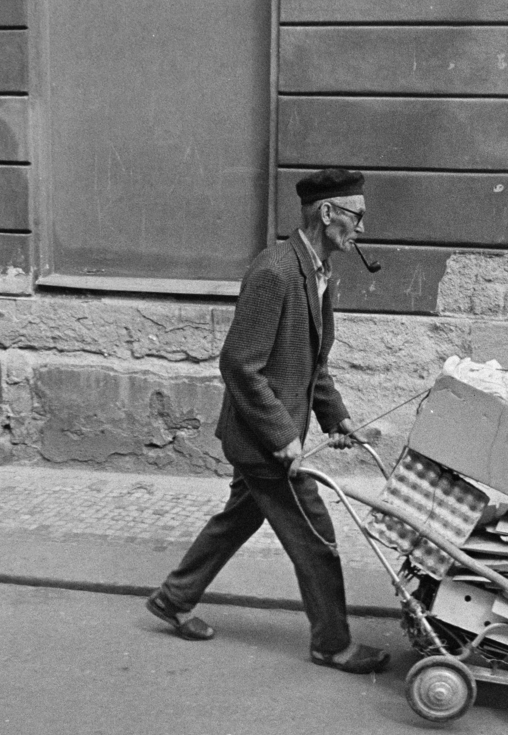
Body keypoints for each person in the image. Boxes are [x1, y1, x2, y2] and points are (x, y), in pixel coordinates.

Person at [146, 168, 390, 674]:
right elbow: (239, 363)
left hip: (271, 436)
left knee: (240, 517)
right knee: (317, 539)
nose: (363, 227)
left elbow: (311, 365)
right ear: (328, 213)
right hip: (262, 442)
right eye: (358, 216)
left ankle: (174, 597)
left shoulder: (318, 272)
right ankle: (332, 644)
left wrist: (337, 419)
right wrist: (281, 436)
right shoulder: (275, 272)